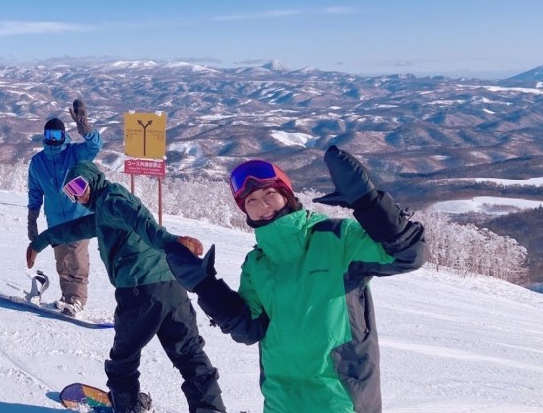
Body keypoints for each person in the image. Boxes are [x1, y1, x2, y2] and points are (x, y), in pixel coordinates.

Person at [166, 146, 429, 413]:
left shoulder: (337, 238)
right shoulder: (257, 264)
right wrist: (205, 286)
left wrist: (369, 203)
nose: (262, 205)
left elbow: (408, 254)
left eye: (269, 194)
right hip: (280, 400)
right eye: (251, 201)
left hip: (339, 399)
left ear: (287, 195)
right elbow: (248, 328)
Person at [26, 161, 228, 413]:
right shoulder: (104, 210)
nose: (78, 195)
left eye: (79, 185)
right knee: (189, 353)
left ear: (93, 179)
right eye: (71, 192)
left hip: (139, 291)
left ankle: (127, 407)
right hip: (170, 285)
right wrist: (41, 242)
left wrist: (172, 241)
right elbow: (77, 228)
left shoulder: (111, 201)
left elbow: (140, 220)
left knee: (123, 360)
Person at [27, 98, 103, 316]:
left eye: (57, 136)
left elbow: (95, 146)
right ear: (45, 136)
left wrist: (86, 130)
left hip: (79, 217)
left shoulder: (74, 153)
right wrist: (32, 218)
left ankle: (77, 299)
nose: (53, 140)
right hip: (55, 220)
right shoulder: (37, 161)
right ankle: (66, 297)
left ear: (64, 136)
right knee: (62, 262)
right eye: (50, 136)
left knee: (77, 261)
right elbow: (34, 191)